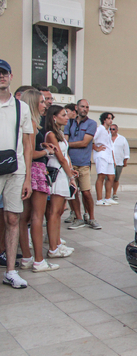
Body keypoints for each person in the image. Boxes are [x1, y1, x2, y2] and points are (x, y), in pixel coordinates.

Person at [18, 89, 60, 271]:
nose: (45, 105)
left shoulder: (23, 123)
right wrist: (46, 151)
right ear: (34, 103)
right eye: (43, 102)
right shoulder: (33, 124)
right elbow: (29, 152)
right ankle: (39, 260)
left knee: (23, 217)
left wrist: (41, 144)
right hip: (35, 171)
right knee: (37, 216)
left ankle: (27, 257)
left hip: (24, 173)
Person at [0, 59, 33, 288]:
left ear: (11, 76)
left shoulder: (22, 107)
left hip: (15, 169)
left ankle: (11, 271)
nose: (1, 77)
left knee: (13, 218)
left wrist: (28, 177)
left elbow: (28, 143)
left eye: (4, 73)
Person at [45, 106, 77, 258]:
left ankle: (57, 243)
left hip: (63, 172)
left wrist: (70, 171)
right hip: (57, 172)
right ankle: (53, 248)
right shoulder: (50, 134)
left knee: (58, 212)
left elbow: (66, 156)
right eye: (63, 115)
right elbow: (60, 157)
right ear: (54, 117)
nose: (67, 117)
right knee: (54, 212)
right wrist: (70, 175)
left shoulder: (59, 134)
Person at [65, 99, 100, 230]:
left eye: (87, 107)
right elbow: (66, 138)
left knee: (86, 192)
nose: (85, 109)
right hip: (70, 163)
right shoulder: (69, 122)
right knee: (73, 192)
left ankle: (91, 217)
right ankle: (78, 218)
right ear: (76, 108)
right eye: (82, 106)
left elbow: (85, 143)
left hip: (83, 163)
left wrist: (67, 145)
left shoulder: (91, 123)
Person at [94, 112, 117, 205]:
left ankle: (108, 197)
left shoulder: (108, 131)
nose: (110, 120)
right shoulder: (100, 129)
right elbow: (91, 138)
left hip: (109, 156)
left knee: (111, 176)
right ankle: (99, 199)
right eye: (109, 118)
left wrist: (113, 158)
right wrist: (96, 148)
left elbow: (110, 146)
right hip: (101, 155)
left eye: (111, 118)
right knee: (101, 176)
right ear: (104, 120)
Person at [110, 124, 129, 200]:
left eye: (113, 129)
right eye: (110, 129)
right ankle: (107, 194)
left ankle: (114, 193)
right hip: (108, 162)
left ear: (117, 130)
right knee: (108, 179)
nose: (111, 131)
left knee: (116, 179)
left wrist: (125, 160)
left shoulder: (122, 139)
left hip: (119, 162)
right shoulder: (107, 138)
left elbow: (126, 150)